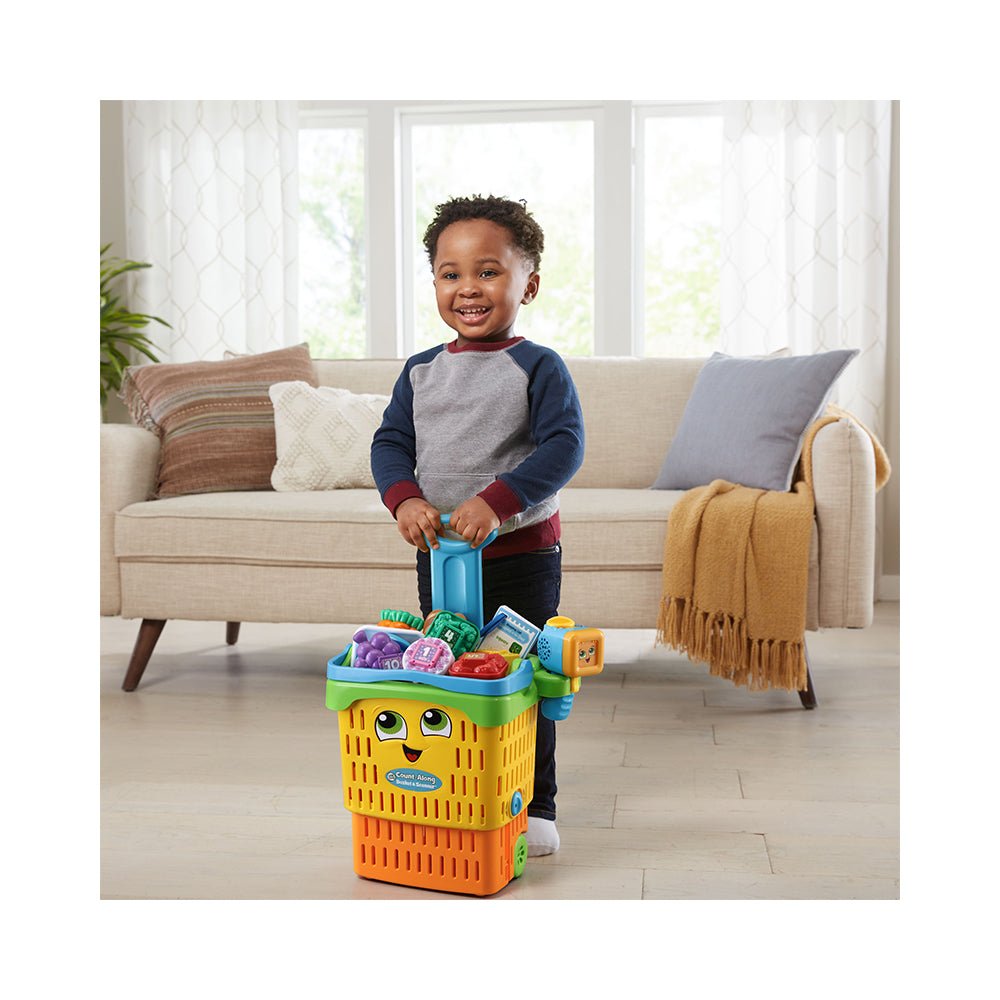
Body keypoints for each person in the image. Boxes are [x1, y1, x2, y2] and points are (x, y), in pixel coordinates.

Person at [371, 194, 585, 856]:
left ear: (529, 284)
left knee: (524, 677)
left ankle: (536, 804)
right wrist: (405, 500)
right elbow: (389, 444)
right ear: (435, 283)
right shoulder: (420, 371)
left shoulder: (538, 366)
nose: (468, 287)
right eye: (451, 273)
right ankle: (459, 786)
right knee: (449, 671)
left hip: (521, 555)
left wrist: (497, 500)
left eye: (488, 272)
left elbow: (564, 446)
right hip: (441, 557)